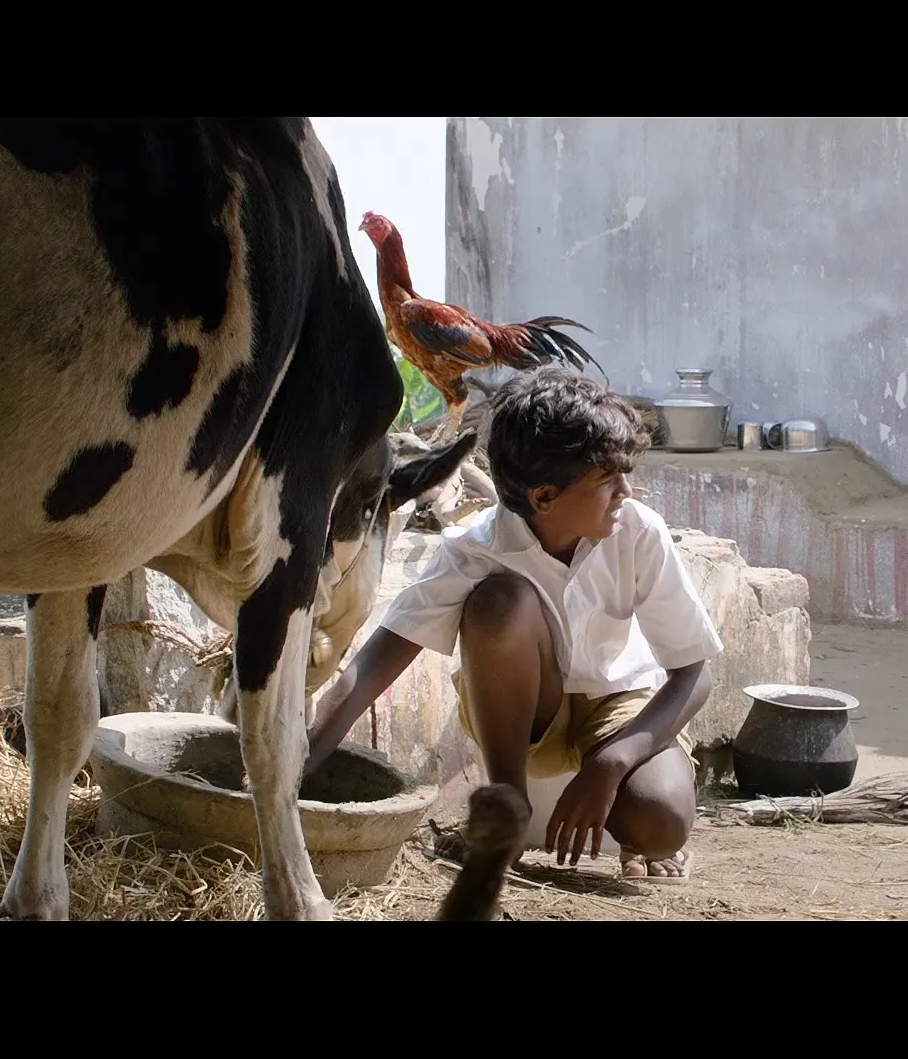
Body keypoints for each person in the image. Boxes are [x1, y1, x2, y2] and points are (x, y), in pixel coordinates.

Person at [304, 366, 722, 883]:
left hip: (621, 704)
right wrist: (300, 762)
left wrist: (612, 762)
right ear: (544, 497)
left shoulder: (638, 532)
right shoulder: (477, 549)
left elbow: (693, 674)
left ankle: (637, 837)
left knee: (661, 822)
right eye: (608, 479)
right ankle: (509, 808)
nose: (626, 492)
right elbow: (375, 663)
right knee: (500, 602)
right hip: (529, 715)